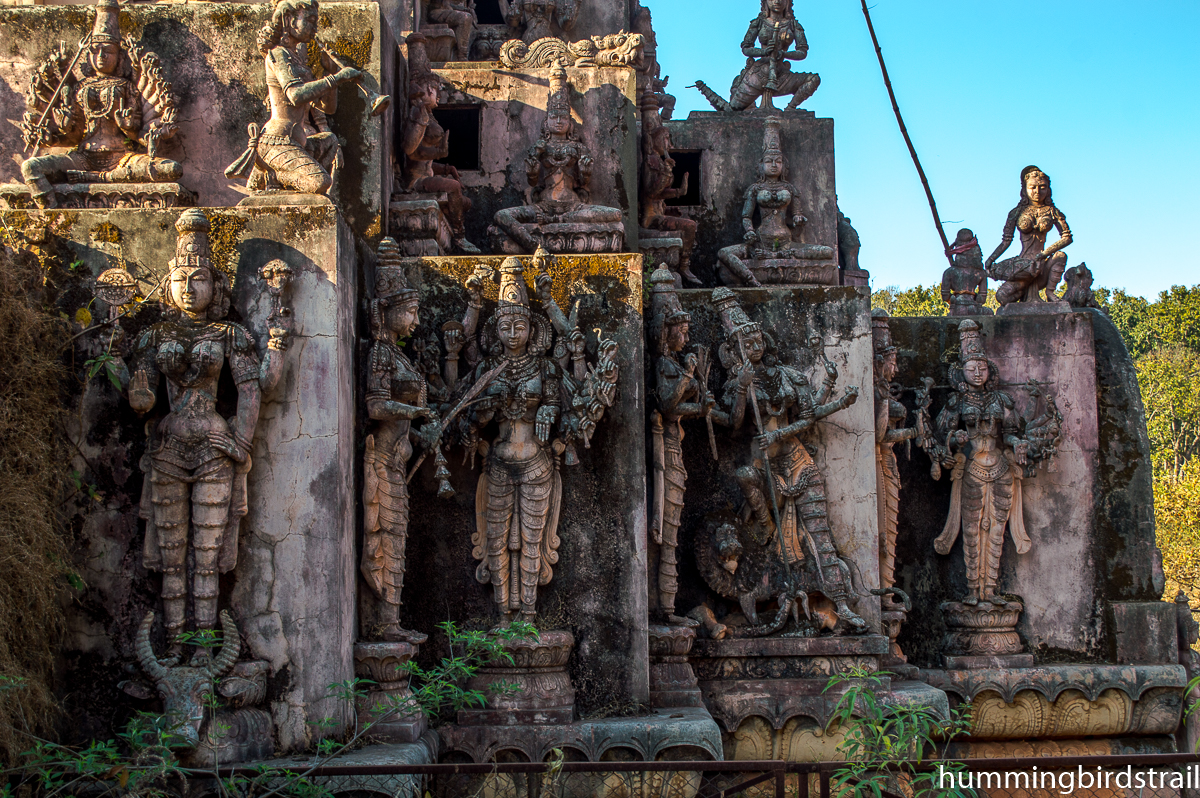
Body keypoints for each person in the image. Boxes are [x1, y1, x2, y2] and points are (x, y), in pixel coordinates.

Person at [126, 211, 287, 656]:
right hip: (168, 447)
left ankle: (204, 646)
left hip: (215, 449)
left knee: (207, 554)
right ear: (169, 283)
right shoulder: (156, 333)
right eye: (180, 278)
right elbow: (140, 397)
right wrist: (135, 385)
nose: (188, 287)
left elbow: (253, 388)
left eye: (198, 278)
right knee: (172, 552)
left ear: (215, 286)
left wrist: (239, 441)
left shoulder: (228, 333)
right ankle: (176, 643)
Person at [709, 288, 865, 632]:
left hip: (796, 459)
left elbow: (807, 417)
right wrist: (740, 388)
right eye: (746, 344)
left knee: (821, 535)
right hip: (767, 469)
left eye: (756, 339)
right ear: (735, 351)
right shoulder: (741, 381)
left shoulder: (786, 375)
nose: (755, 347)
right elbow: (735, 424)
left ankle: (842, 602)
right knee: (783, 546)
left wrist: (779, 435)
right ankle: (790, 606)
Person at [20, 0, 181, 208]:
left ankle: (97, 179)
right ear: (88, 55)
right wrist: (65, 125)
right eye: (96, 50)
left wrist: (127, 126)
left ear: (119, 56)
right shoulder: (79, 88)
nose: (101, 56)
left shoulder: (126, 87)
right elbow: (75, 136)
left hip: (122, 159)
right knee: (31, 168)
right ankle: (50, 214)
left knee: (171, 169)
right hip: (82, 158)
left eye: (108, 51)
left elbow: (137, 136)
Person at [361, 239, 439, 643]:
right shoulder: (380, 354)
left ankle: (390, 620)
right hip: (382, 459)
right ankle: (381, 623)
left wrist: (426, 429)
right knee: (383, 538)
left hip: (396, 459)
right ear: (387, 311)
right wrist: (412, 413)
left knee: (397, 539)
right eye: (408, 311)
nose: (413, 320)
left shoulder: (399, 355)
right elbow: (375, 406)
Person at [931, 320, 1031, 606]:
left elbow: (1011, 433)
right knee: (972, 529)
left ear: (990, 370)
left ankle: (991, 589)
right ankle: (973, 590)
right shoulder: (956, 402)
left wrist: (1018, 444)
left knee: (997, 528)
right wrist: (956, 438)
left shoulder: (1002, 400)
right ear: (961, 371)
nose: (977, 373)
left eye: (982, 368)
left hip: (1000, 468)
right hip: (972, 467)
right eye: (971, 368)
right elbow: (941, 437)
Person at [225, 0, 362, 195]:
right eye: (310, 20)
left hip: (300, 141)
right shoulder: (278, 54)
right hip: (277, 140)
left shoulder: (296, 59)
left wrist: (329, 72)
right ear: (288, 20)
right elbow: (295, 95)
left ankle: (281, 176)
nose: (315, 27)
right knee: (320, 182)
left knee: (330, 140)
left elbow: (327, 108)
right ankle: (272, 176)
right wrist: (336, 78)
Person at [490, 60, 623, 254]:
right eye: (554, 117)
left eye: (563, 117)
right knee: (501, 217)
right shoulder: (540, 147)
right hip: (543, 207)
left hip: (573, 208)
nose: (559, 121)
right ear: (546, 121)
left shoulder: (577, 148)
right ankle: (537, 246)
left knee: (616, 217)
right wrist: (534, 163)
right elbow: (533, 180)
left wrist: (585, 170)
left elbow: (583, 182)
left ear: (570, 122)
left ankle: (543, 239)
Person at [649, 269, 711, 625]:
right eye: (681, 330)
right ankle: (664, 609)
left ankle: (667, 608)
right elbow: (669, 405)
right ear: (666, 330)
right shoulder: (664, 363)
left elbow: (680, 408)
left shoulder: (673, 362)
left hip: (675, 448)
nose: (685, 336)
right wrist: (688, 378)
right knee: (666, 529)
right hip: (665, 451)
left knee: (672, 530)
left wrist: (700, 399)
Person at [717, 118, 830, 286]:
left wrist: (799, 220)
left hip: (787, 245)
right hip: (759, 244)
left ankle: (765, 267)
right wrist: (749, 232)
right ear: (761, 165)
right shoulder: (755, 189)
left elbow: (797, 215)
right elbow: (746, 216)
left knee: (827, 253)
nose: (774, 165)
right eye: (769, 161)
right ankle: (751, 279)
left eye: (778, 161)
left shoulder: (790, 188)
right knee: (724, 254)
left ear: (784, 165)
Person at [399, 34, 480, 253]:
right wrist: (438, 152)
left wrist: (445, 167)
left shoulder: (427, 115)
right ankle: (460, 237)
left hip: (428, 174)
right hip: (415, 182)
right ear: (423, 90)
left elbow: (425, 161)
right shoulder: (419, 114)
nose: (439, 95)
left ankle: (450, 223)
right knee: (453, 187)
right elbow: (410, 151)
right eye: (435, 90)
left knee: (465, 203)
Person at [692, 0, 819, 112]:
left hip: (782, 74)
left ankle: (790, 108)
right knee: (734, 109)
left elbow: (802, 52)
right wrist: (764, 52)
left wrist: (784, 53)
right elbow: (746, 48)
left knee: (814, 79)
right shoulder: (759, 23)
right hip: (758, 74)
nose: (777, 1)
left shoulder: (793, 25)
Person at [985, 166, 1072, 305]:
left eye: (1042, 187)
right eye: (1033, 187)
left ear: (1048, 189)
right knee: (1002, 297)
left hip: (1044, 266)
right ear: (1025, 189)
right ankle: (1025, 292)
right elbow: (1006, 241)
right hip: (1022, 267)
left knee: (1061, 256)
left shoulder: (1052, 211)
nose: (1037, 191)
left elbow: (1067, 237)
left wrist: (1045, 254)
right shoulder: (1016, 212)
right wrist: (991, 259)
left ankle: (1049, 292)